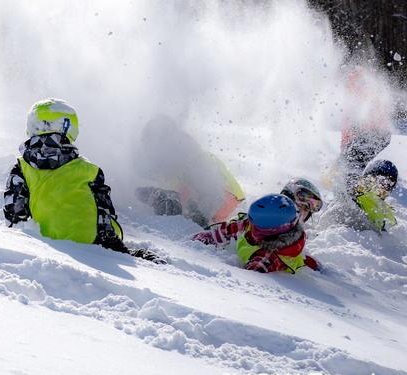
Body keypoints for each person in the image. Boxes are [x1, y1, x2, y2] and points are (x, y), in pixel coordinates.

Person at [3, 98, 131, 253]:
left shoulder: (21, 168)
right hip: (91, 248)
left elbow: (15, 214)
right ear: (69, 128)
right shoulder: (90, 171)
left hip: (46, 245)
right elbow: (104, 217)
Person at [134, 115, 245, 227]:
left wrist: (199, 219)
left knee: (166, 197)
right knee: (155, 195)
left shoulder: (198, 160)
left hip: (224, 215)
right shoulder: (165, 166)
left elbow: (215, 197)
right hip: (195, 213)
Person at [193, 177, 323, 246]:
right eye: (298, 205)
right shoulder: (258, 221)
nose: (300, 211)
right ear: (286, 198)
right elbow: (226, 231)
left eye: (306, 210)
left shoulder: (301, 237)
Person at [234, 193, 321, 274]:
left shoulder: (266, 258)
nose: (251, 227)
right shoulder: (265, 223)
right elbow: (230, 228)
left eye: (256, 228)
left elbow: (252, 276)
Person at [325, 158, 398, 232]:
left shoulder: (385, 211)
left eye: (390, 184)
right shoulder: (356, 191)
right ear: (369, 178)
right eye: (382, 181)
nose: (385, 187)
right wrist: (349, 185)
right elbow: (341, 185)